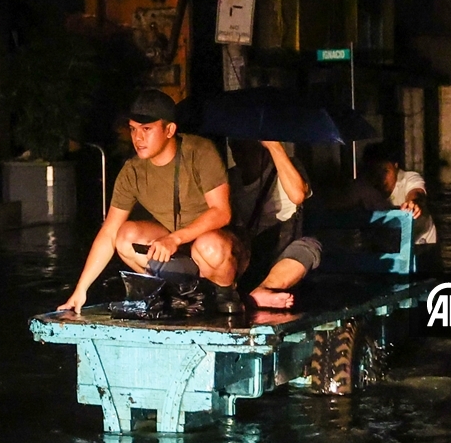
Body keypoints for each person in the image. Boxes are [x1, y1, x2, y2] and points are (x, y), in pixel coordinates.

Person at [57, 89, 244, 315]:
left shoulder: (200, 151)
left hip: (220, 248)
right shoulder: (132, 171)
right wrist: (81, 290)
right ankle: (173, 292)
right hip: (176, 251)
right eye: (134, 129)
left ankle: (224, 293)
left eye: (147, 129)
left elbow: (222, 212)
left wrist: (175, 238)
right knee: (124, 235)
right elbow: (109, 233)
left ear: (169, 129)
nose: (138, 138)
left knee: (209, 246)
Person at [227, 139, 322, 309]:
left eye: (250, 150)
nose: (243, 156)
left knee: (309, 247)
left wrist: (274, 145)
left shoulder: (288, 166)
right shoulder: (232, 179)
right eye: (237, 149)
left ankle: (263, 290)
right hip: (250, 250)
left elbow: (298, 195)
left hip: (285, 243)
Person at [351, 142, 437, 245]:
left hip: (421, 245)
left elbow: (417, 193)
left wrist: (413, 204)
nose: (380, 179)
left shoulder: (410, 178)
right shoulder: (364, 186)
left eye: (385, 171)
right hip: (385, 246)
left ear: (395, 165)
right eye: (374, 173)